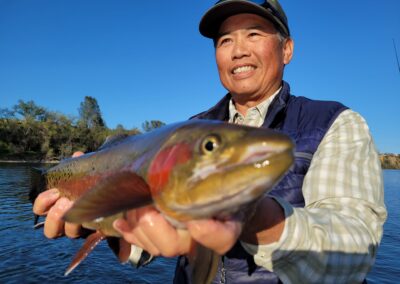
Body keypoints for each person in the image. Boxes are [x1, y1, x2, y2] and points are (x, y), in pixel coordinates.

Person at [33, 0, 387, 283]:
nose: (238, 51)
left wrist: (253, 216)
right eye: (225, 40)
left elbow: (353, 251)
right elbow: (140, 250)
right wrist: (98, 223)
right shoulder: (190, 130)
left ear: (287, 49)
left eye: (254, 34)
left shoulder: (335, 123)